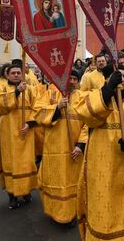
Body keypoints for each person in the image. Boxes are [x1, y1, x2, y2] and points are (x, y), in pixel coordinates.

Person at [72, 64, 124, 240]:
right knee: (101, 203)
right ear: (107, 78)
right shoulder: (94, 97)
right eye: (116, 76)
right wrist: (108, 90)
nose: (121, 79)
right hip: (98, 166)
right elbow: (86, 116)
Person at [33, 70, 88, 227]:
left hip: (75, 149)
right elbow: (37, 112)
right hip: (54, 147)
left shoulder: (83, 97)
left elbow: (89, 123)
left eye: (74, 78)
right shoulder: (51, 92)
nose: (70, 81)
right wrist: (56, 108)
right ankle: (56, 211)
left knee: (74, 181)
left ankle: (74, 212)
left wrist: (81, 144)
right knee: (55, 179)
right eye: (68, 78)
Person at [0, 59, 38, 209]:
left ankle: (26, 191)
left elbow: (37, 106)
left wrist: (30, 124)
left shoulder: (30, 89)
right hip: (8, 133)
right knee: (10, 163)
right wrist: (16, 92)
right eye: (13, 73)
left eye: (18, 73)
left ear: (22, 74)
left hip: (25, 132)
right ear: (7, 75)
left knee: (26, 162)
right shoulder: (0, 88)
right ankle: (12, 196)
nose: (16, 75)